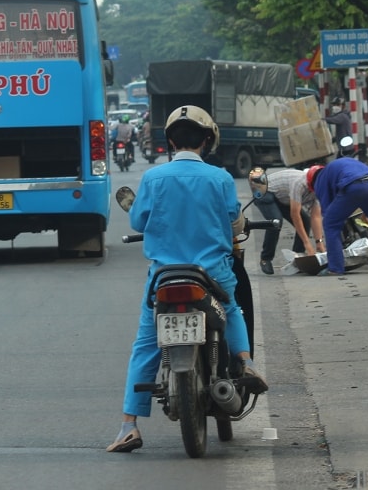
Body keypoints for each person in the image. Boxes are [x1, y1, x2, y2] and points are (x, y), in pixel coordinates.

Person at [107, 105, 267, 454]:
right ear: (207, 140)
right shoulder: (221, 178)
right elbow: (233, 221)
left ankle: (128, 426)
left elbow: (138, 221)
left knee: (146, 342)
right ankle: (247, 363)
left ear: (169, 141)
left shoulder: (152, 178)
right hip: (212, 272)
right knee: (232, 308)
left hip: (164, 275)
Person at [306, 158, 368, 275]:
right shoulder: (337, 166)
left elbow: (327, 209)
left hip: (354, 186)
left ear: (312, 182)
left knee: (330, 223)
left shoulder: (319, 179)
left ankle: (335, 267)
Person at [248, 166, 324, 275]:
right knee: (275, 222)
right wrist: (307, 243)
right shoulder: (300, 184)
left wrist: (319, 242)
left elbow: (316, 217)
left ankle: (298, 257)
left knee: (306, 220)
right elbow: (295, 214)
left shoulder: (318, 189)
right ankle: (265, 259)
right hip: (265, 190)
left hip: (283, 197)